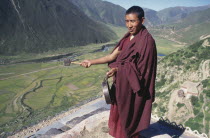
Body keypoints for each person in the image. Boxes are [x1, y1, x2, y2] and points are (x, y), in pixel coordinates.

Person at [81, 6, 157, 138]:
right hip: (122, 83)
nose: (129, 25)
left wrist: (118, 69)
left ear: (142, 20)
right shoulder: (127, 38)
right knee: (118, 110)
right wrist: (91, 62)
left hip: (133, 87)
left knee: (128, 112)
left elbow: (143, 70)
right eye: (127, 21)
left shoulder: (147, 42)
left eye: (133, 21)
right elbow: (111, 57)